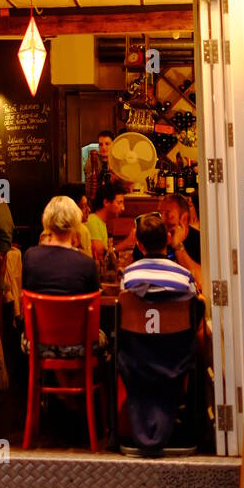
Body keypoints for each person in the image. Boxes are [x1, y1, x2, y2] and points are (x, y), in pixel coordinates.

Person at [117, 212, 200, 457]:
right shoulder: (184, 277)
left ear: (139, 245)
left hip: (137, 358)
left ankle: (124, 426)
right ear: (167, 238)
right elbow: (196, 304)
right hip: (175, 357)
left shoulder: (129, 278)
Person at [24, 197, 100, 296]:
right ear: (76, 223)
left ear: (47, 220)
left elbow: (25, 297)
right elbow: (92, 305)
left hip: (40, 312)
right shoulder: (87, 264)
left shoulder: (30, 257)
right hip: (74, 311)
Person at [160, 194, 203, 293]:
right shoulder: (157, 237)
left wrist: (178, 247)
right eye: (160, 214)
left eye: (167, 214)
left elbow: (200, 282)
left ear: (183, 218)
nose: (162, 219)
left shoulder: (199, 241)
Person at [86, 181, 134, 264]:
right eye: (119, 203)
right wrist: (127, 243)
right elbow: (100, 255)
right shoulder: (92, 221)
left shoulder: (101, 222)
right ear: (106, 202)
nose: (123, 208)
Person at [57, 182, 93, 257]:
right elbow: (88, 262)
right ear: (73, 208)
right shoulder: (81, 230)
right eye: (84, 206)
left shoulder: (49, 230)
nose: (88, 209)